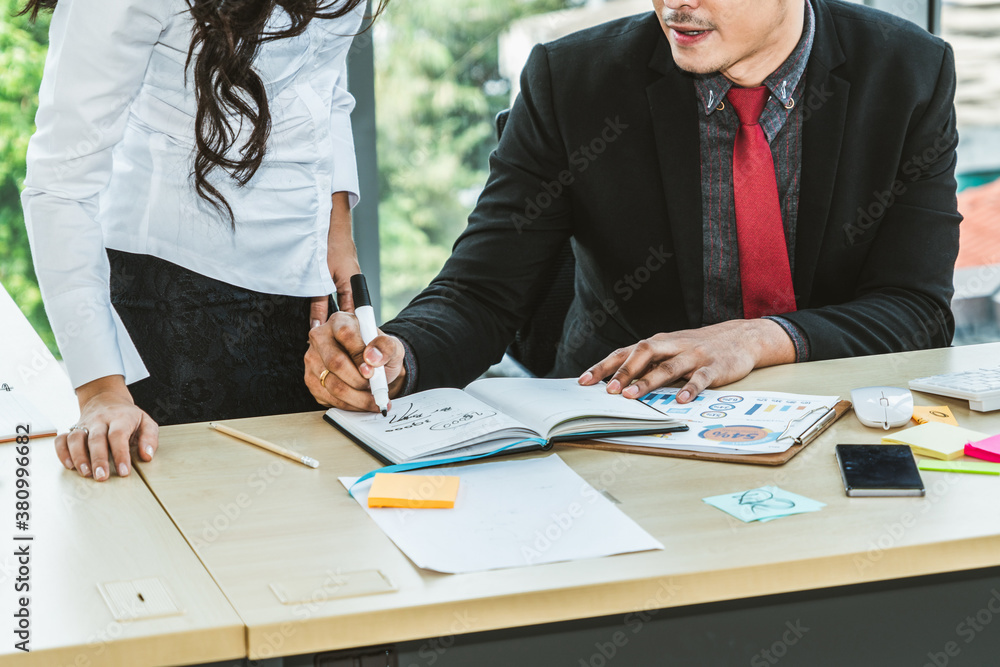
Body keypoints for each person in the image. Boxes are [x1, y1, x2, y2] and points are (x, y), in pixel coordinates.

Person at [305, 0, 961, 413]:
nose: (678, 5)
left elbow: (917, 309)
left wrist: (761, 339)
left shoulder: (907, 74)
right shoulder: (574, 83)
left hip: (835, 422)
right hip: (624, 428)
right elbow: (483, 293)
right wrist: (396, 354)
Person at [20, 0, 385, 481]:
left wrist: (338, 234)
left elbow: (325, 83)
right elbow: (60, 186)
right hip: (173, 302)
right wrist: (101, 391)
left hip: (307, 291)